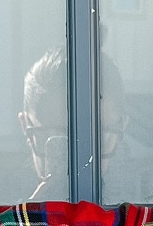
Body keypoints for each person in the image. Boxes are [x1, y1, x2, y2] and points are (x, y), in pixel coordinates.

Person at [19, 47, 128, 200]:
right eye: (55, 141)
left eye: (96, 138)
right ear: (25, 125)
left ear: (122, 126)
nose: (73, 160)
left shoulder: (146, 210)